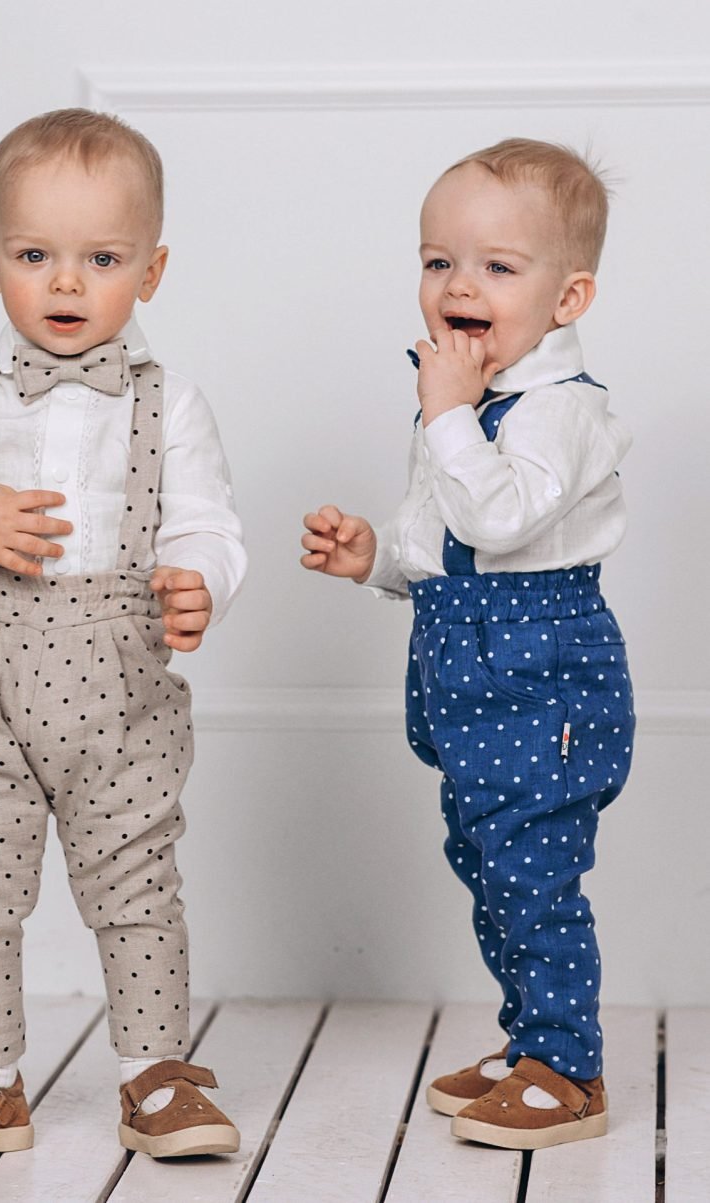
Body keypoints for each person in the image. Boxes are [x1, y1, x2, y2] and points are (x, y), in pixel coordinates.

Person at [0, 108, 246, 1159]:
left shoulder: (172, 401)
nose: (67, 285)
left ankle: (156, 1071)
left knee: (134, 878)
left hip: (117, 681)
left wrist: (197, 577)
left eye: (101, 259)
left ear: (151, 272)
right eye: (36, 257)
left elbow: (208, 518)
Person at [301, 138, 634, 1150]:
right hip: (464, 659)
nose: (458, 283)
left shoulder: (561, 413)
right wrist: (373, 558)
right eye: (438, 259)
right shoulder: (465, 400)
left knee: (534, 873)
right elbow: (449, 549)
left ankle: (569, 1069)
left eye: (497, 265)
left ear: (567, 299)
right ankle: (529, 1039)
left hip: (545, 671)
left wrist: (447, 417)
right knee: (488, 862)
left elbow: (502, 520)